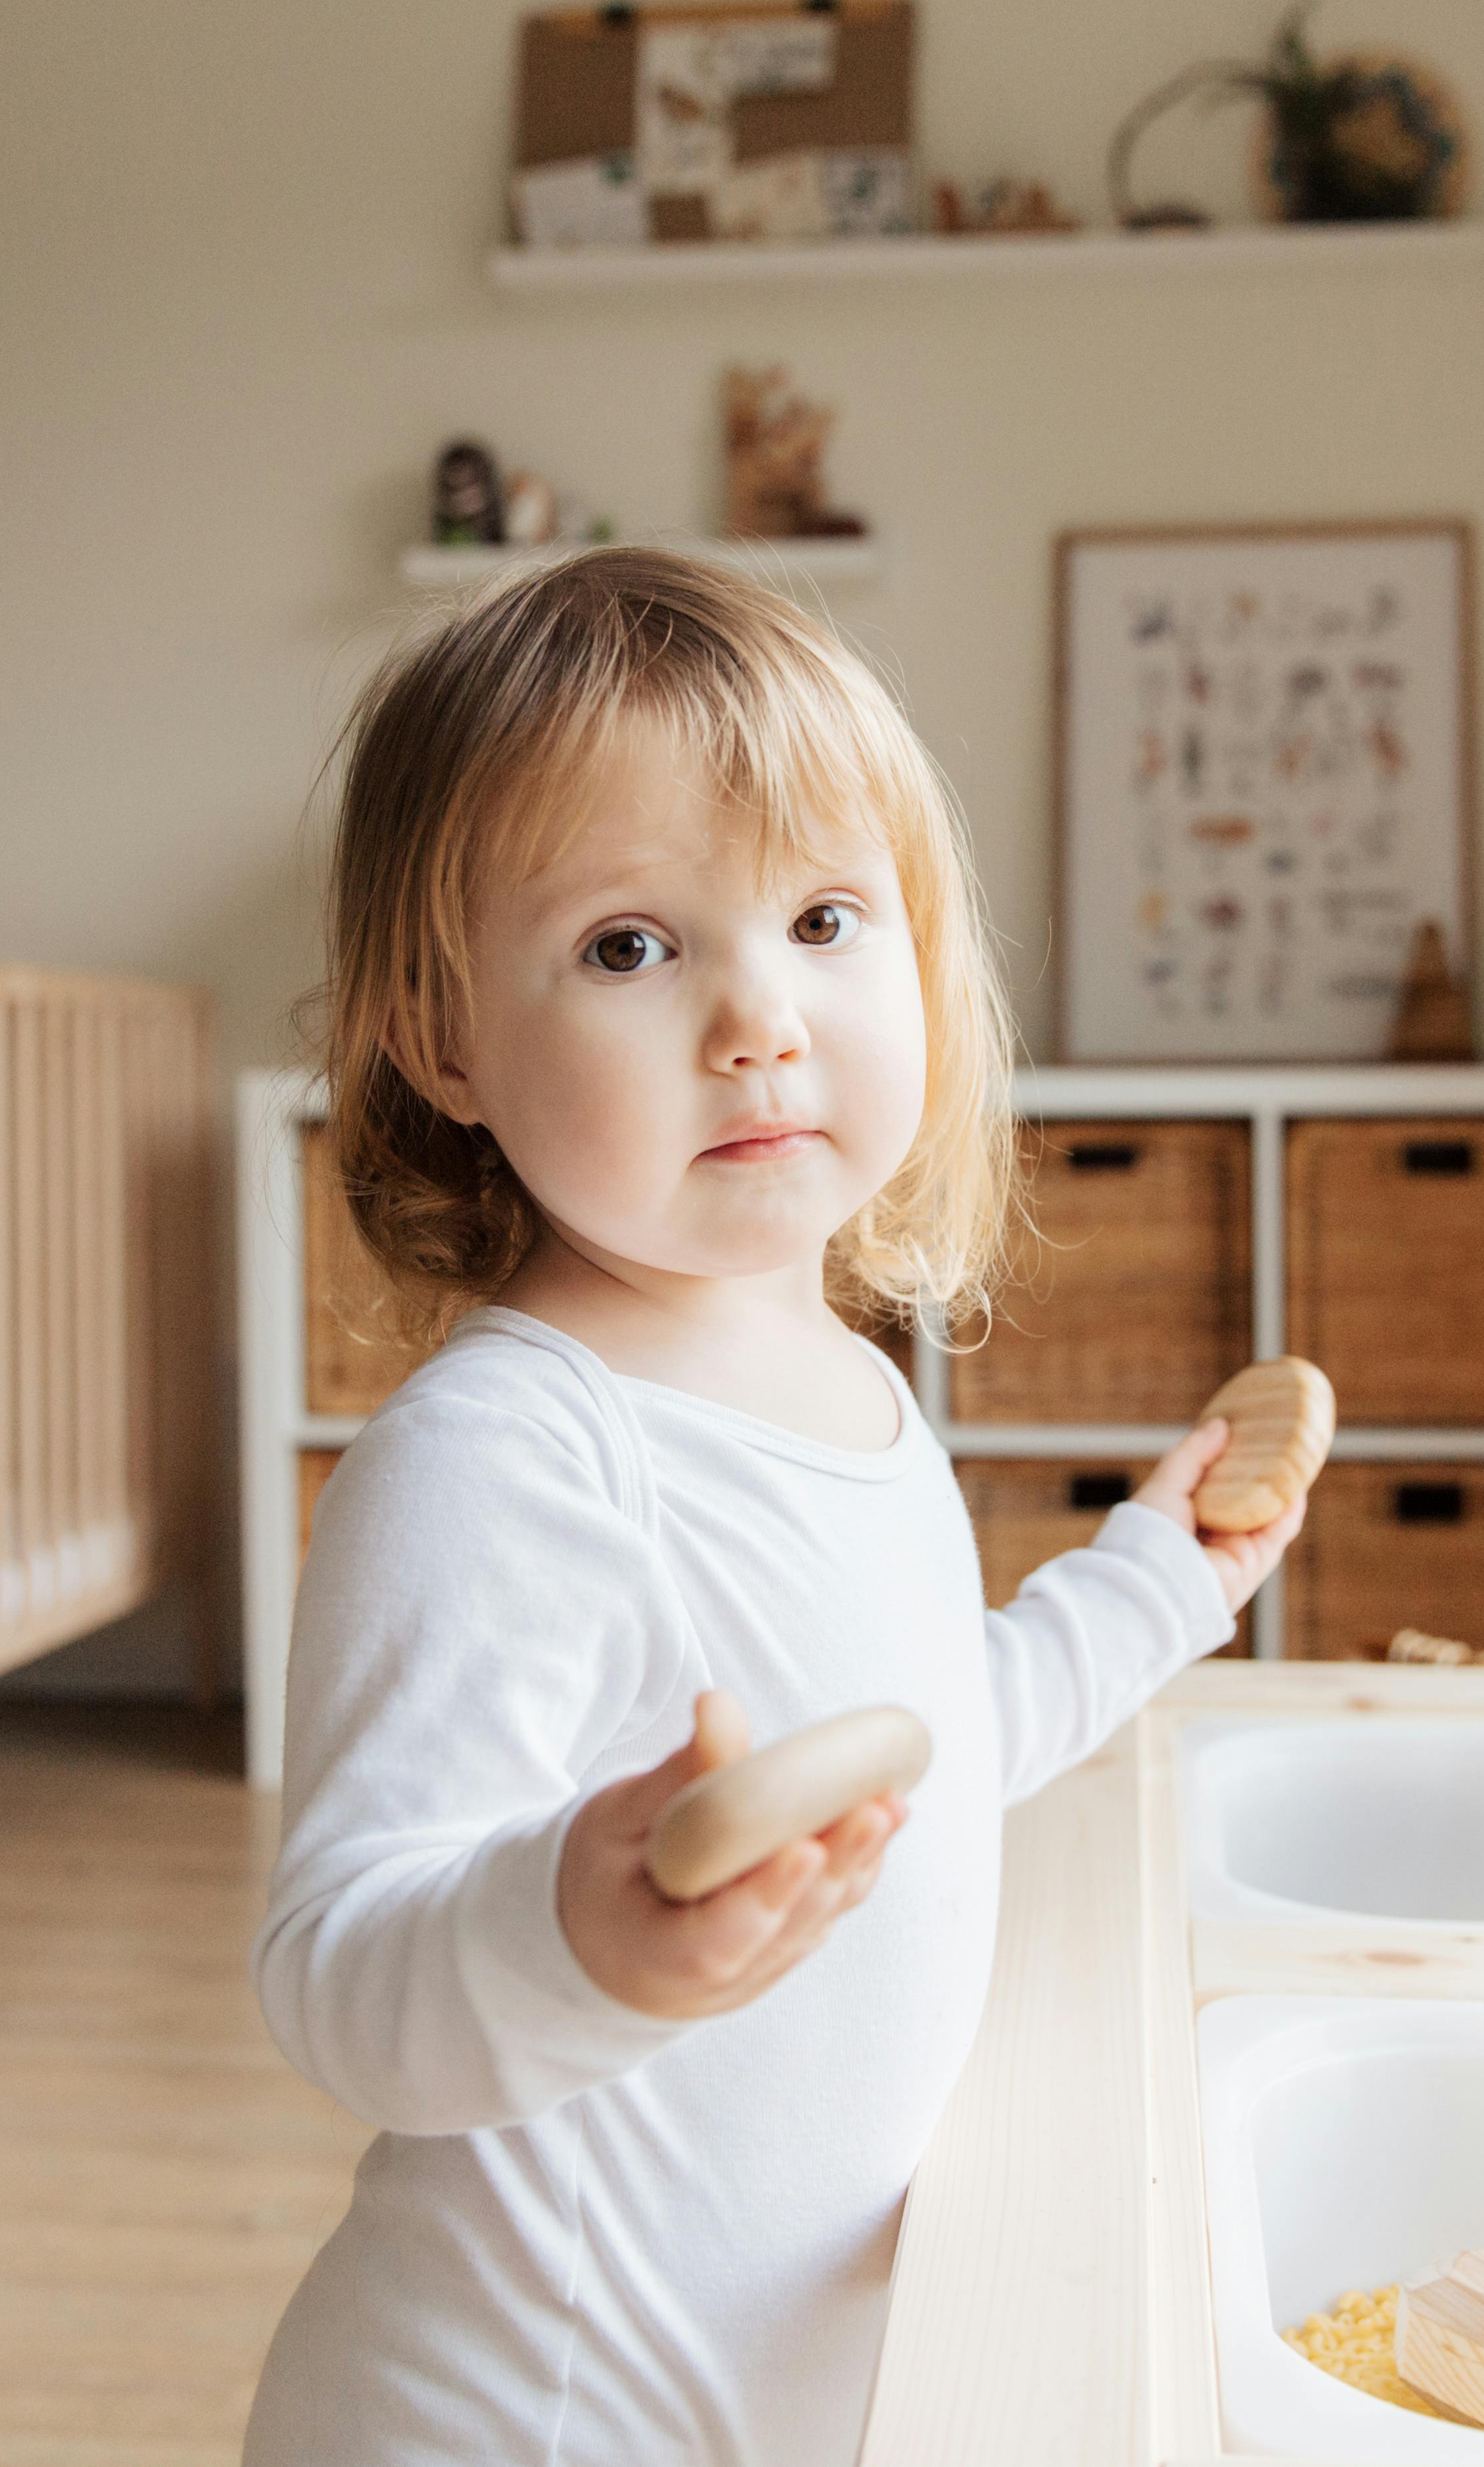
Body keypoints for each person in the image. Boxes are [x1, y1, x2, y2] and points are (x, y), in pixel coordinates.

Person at [246, 549, 1302, 2465]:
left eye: (824, 916)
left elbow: (919, 1743)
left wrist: (1157, 1576)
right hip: (529, 2424)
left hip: (783, 2397)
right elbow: (339, 1972)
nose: (758, 1017)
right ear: (445, 1033)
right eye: (631, 947)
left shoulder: (849, 1390)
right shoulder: (503, 1456)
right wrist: (578, 1930)